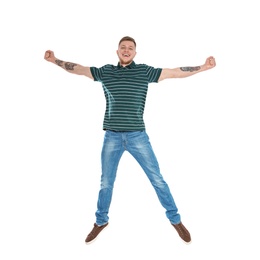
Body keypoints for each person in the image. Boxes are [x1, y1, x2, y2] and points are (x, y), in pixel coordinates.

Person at [44, 36, 216, 244]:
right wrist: (54, 60)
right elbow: (78, 69)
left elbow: (175, 72)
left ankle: (175, 219)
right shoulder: (106, 72)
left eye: (130, 48)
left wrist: (203, 67)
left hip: (137, 136)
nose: (126, 50)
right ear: (117, 52)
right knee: (106, 182)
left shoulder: (144, 72)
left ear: (135, 53)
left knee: (157, 179)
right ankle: (101, 221)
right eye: (123, 48)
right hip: (112, 137)